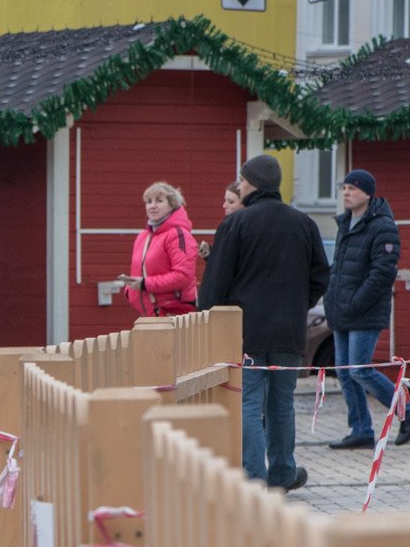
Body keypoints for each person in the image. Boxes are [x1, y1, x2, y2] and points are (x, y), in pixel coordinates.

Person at [198, 154, 329, 492]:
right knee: (282, 403)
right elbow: (320, 276)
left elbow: (216, 282)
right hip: (289, 330)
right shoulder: (304, 223)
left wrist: (210, 315)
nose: (238, 185)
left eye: (241, 180)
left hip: (247, 331)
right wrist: (300, 305)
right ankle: (283, 473)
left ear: (253, 183)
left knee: (250, 403)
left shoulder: (236, 224)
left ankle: (254, 478)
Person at [324, 169, 410, 449]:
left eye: (353, 188)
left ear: (367, 193)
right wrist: (331, 299)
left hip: (364, 310)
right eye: (344, 187)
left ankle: (407, 412)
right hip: (342, 310)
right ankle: (360, 429)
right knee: (345, 371)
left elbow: (383, 272)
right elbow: (339, 269)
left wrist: (356, 302)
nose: (346, 192)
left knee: (361, 370)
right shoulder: (345, 223)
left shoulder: (382, 225)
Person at [119, 182, 198, 317]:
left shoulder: (179, 235)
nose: (153, 206)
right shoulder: (143, 236)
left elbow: (183, 276)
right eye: (149, 202)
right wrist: (130, 290)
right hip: (148, 312)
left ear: (172, 205)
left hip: (173, 313)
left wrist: (145, 284)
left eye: (159, 201)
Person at [198, 181, 244, 259]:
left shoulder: (239, 229)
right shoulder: (227, 225)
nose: (224, 205)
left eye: (231, 202)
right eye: (225, 200)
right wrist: (210, 254)